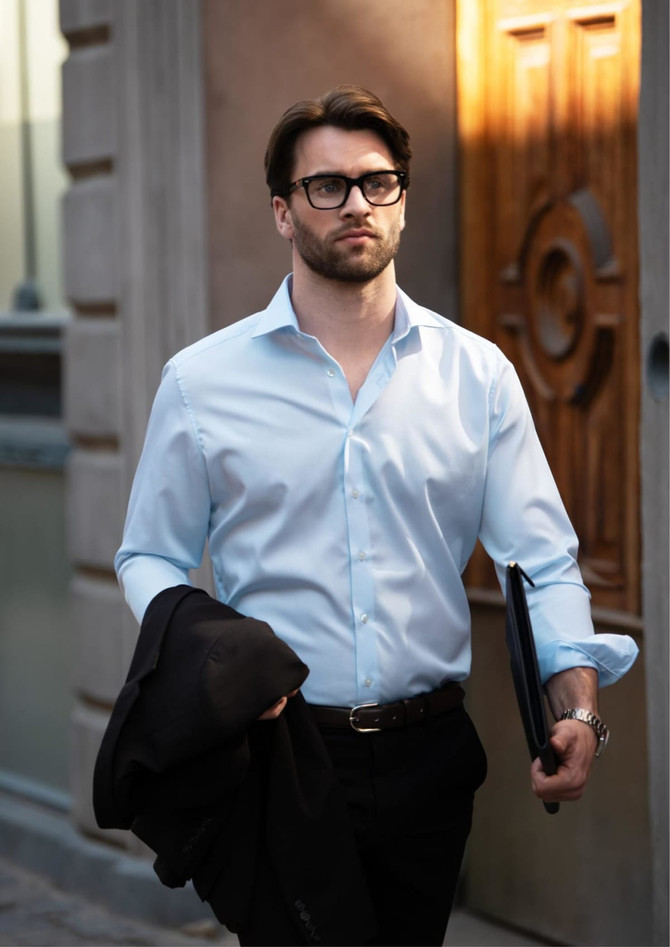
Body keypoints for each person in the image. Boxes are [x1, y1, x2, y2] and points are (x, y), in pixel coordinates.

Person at [115, 85, 638, 946]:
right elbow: (149, 557)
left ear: (401, 198)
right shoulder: (201, 382)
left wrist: (576, 710)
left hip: (429, 755)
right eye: (327, 186)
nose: (356, 202)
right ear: (283, 212)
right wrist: (221, 663)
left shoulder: (477, 375)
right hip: (280, 760)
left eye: (378, 181)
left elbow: (542, 561)